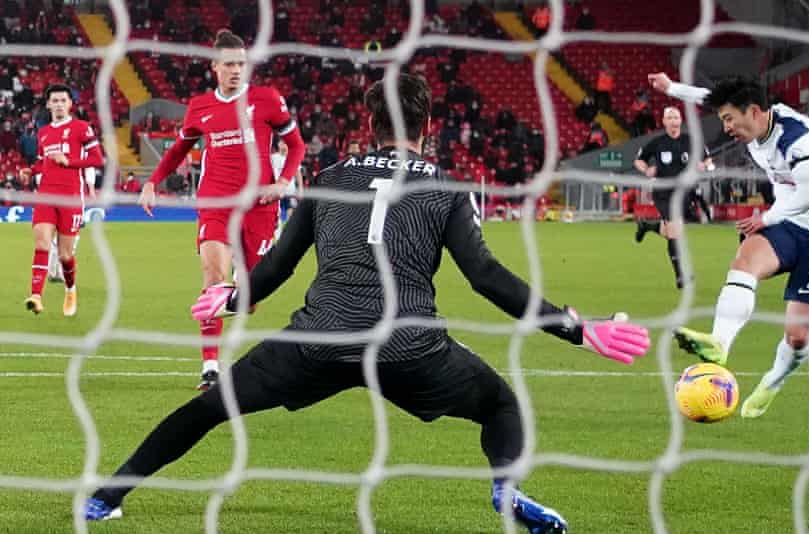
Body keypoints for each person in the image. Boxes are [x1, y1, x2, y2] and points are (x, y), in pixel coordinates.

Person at [84, 74, 651, 533]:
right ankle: (506, 488)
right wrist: (575, 328)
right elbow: (484, 277)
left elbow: (276, 268)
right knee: (501, 406)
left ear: (370, 124)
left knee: (209, 409)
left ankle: (105, 498)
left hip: (319, 339)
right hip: (408, 346)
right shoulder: (445, 190)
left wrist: (231, 298)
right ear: (427, 127)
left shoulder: (328, 179)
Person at [648, 73, 809, 417]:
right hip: (790, 224)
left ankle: (774, 380)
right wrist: (672, 89)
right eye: (724, 119)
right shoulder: (754, 120)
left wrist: (768, 217)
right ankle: (719, 343)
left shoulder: (796, 139)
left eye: (730, 119)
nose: (727, 127)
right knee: (745, 261)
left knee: (798, 336)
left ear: (755, 111)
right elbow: (710, 96)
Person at [138, 30, 306, 391]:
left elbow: (296, 146)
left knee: (249, 299)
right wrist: (153, 181)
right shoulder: (199, 107)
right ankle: (210, 367)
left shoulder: (267, 100)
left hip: (259, 207)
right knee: (213, 279)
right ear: (214, 67)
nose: (236, 70)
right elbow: (178, 151)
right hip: (215, 202)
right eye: (229, 64)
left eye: (242, 64)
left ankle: (238, 300)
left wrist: (283, 182)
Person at [22, 84, 102, 316]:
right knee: (42, 244)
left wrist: (70, 162)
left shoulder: (82, 128)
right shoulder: (43, 132)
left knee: (66, 255)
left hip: (70, 198)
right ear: (48, 104)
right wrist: (30, 170)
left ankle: (70, 289)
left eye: (62, 100)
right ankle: (36, 295)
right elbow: (43, 162)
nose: (58, 104)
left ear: (69, 104)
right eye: (54, 100)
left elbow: (98, 159)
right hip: (46, 195)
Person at [633, 106, 712, 289]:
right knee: (676, 231)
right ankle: (681, 276)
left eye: (676, 117)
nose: (673, 120)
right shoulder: (657, 142)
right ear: (664, 121)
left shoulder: (691, 141)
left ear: (680, 120)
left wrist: (704, 166)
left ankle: (649, 225)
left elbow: (708, 159)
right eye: (669, 117)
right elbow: (639, 160)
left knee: (673, 232)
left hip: (684, 192)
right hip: (663, 192)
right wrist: (647, 169)